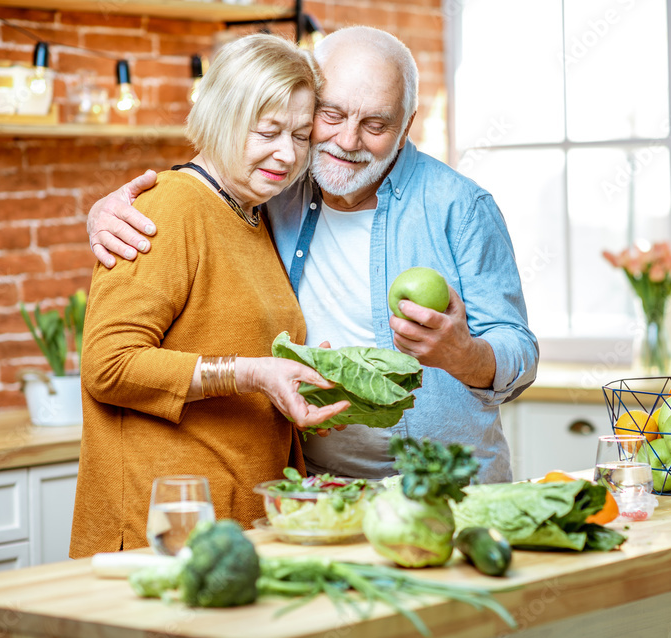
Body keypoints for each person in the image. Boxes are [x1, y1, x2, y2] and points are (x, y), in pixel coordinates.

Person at [85, 26, 538, 484]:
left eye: (376, 124)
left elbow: (519, 349)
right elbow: (203, 181)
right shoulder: (277, 189)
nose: (347, 141)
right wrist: (110, 209)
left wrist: (464, 353)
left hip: (446, 486)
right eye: (331, 115)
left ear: (406, 126)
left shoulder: (459, 207)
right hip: (319, 487)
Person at [69, 34, 349, 559]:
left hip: (234, 523)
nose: (287, 153)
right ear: (222, 117)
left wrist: (298, 372)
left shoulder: (253, 212)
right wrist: (251, 372)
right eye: (267, 131)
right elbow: (107, 366)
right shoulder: (169, 210)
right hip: (162, 531)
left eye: (300, 135)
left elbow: (227, 334)